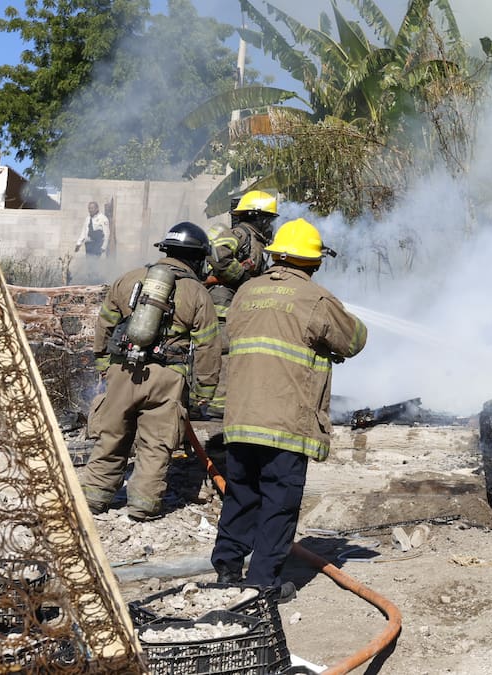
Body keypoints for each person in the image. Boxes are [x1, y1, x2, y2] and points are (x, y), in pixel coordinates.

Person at [211, 218, 366, 600]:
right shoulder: (316, 299)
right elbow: (354, 340)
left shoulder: (246, 292)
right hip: (285, 421)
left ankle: (227, 570)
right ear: (313, 263)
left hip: (242, 417)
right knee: (279, 502)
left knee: (241, 495)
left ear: (276, 255)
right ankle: (263, 582)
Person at [80, 222, 221, 520]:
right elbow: (208, 347)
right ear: (196, 258)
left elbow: (104, 323)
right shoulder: (197, 293)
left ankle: (93, 498)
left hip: (123, 369)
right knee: (156, 444)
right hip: (167, 377)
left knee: (111, 435)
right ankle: (143, 505)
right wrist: (204, 392)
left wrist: (104, 364)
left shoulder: (128, 279)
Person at [201, 191, 280, 418]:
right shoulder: (240, 233)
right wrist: (241, 277)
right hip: (223, 301)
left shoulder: (257, 239)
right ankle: (218, 406)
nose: (270, 224)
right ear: (258, 217)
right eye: (268, 219)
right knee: (225, 350)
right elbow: (218, 255)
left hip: (238, 303)